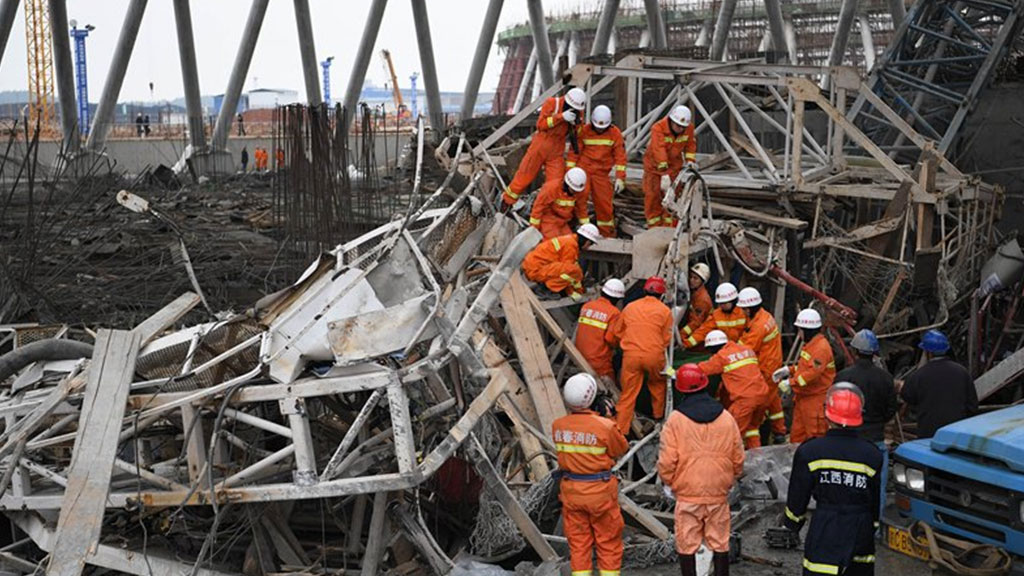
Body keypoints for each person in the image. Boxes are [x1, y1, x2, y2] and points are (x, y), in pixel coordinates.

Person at [784, 383, 882, 576]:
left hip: (826, 525)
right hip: (860, 528)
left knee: (820, 570)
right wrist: (872, 527)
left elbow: (798, 496)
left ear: (828, 415)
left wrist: (792, 524)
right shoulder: (872, 454)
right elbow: (874, 499)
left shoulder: (810, 451)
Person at [658, 364, 744, 576]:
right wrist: (731, 479)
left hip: (687, 493)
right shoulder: (726, 417)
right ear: (705, 385)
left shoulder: (676, 419)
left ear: (681, 389)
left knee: (687, 543)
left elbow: (667, 459)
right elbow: (738, 457)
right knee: (720, 541)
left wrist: (668, 482)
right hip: (718, 491)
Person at [553, 373, 628, 576]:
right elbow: (620, 448)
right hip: (600, 493)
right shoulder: (606, 426)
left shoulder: (558, 426)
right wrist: (610, 417)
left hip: (571, 492)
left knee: (579, 544)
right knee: (608, 541)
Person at [606, 276, 674, 434]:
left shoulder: (630, 307)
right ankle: (658, 419)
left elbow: (617, 332)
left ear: (644, 291)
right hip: (654, 355)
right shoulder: (665, 311)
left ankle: (621, 430)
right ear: (662, 295)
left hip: (631, 355)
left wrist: (632, 341)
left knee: (628, 394)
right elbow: (666, 339)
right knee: (657, 384)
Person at [501, 87, 587, 208]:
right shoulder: (552, 103)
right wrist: (560, 117)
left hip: (557, 149)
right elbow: (541, 125)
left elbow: (577, 136)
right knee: (525, 175)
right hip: (541, 144)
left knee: (555, 182)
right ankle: (507, 202)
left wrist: (576, 125)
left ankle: (548, 210)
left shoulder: (578, 111)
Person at [698, 330, 771, 448]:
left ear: (712, 348)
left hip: (745, 401)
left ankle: (730, 462)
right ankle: (757, 457)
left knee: (731, 434)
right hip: (763, 396)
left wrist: (677, 373)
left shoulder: (721, 356)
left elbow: (703, 369)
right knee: (752, 428)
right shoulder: (746, 349)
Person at [899, 329, 977, 439]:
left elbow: (907, 396)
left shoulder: (919, 375)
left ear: (928, 352)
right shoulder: (962, 372)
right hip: (957, 434)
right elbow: (972, 406)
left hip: (929, 434)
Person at [773, 309, 836, 443]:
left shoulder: (821, 348)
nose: (799, 333)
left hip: (815, 401)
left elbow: (812, 374)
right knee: (797, 437)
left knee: (815, 439)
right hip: (803, 399)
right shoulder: (811, 346)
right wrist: (789, 370)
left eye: (800, 330)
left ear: (808, 330)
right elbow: (805, 368)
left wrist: (791, 383)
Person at [566, 105, 627, 237]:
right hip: (584, 171)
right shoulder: (584, 131)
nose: (600, 129)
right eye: (598, 127)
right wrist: (570, 173)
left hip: (601, 174)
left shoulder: (615, 134)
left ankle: (607, 235)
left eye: (602, 127)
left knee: (604, 205)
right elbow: (574, 153)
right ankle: (584, 231)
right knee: (580, 201)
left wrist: (620, 178)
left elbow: (620, 157)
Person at [737, 287, 787, 443]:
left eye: (745, 309)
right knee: (773, 402)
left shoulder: (758, 326)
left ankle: (756, 446)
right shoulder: (765, 316)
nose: (743, 313)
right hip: (772, 367)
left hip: (765, 371)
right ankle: (779, 433)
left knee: (754, 418)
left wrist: (728, 350)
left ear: (751, 308)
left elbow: (745, 348)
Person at [836, 330, 897, 444]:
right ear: (874, 352)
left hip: (849, 435)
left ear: (855, 351)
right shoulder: (886, 378)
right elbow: (891, 409)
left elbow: (836, 406)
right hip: (875, 435)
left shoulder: (843, 376)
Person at [642, 105, 697, 228]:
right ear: (671, 121)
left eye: (683, 127)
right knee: (653, 197)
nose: (680, 129)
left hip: (674, 169)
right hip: (654, 169)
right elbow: (658, 149)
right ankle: (654, 228)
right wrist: (663, 172)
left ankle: (670, 229)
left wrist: (690, 160)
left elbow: (690, 145)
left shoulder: (688, 129)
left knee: (672, 200)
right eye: (678, 125)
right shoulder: (658, 128)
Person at [521, 224, 601, 302]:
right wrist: (573, 292)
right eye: (590, 244)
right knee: (575, 270)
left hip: (534, 267)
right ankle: (546, 289)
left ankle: (547, 287)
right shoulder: (570, 245)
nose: (588, 247)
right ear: (587, 241)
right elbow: (569, 271)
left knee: (574, 270)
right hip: (535, 270)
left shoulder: (570, 241)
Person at [576, 278, 625, 384]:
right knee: (610, 389)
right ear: (617, 299)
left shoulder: (587, 306)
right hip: (599, 362)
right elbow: (610, 339)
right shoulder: (614, 312)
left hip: (578, 357)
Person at [529, 167, 591, 240]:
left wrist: (587, 228)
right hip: (548, 219)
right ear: (567, 184)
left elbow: (582, 210)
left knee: (570, 242)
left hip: (563, 222)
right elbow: (538, 208)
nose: (575, 192)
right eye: (573, 190)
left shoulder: (579, 191)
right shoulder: (551, 188)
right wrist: (533, 229)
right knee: (553, 243)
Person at [682, 282, 746, 348]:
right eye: (720, 303)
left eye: (724, 303)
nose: (722, 306)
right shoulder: (716, 315)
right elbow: (703, 331)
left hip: (741, 349)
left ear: (733, 300)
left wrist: (738, 348)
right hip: (724, 350)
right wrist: (687, 343)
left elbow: (749, 335)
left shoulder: (743, 313)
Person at [680, 263, 712, 344]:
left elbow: (696, 323)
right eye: (690, 277)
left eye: (695, 278)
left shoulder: (702, 299)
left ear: (702, 281)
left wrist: (682, 334)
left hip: (700, 338)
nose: (691, 280)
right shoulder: (694, 293)